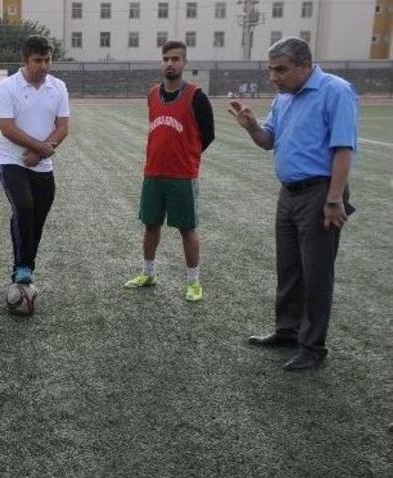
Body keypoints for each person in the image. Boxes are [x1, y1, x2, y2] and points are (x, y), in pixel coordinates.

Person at [229, 37, 358, 371]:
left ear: (305, 65)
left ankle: (313, 347)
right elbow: (268, 141)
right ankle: (287, 331)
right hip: (289, 193)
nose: (274, 77)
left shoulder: (336, 91)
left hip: (320, 193)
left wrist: (334, 198)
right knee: (289, 268)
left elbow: (343, 148)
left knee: (316, 274)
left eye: (281, 70)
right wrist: (252, 126)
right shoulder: (283, 98)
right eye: (271, 70)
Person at [123, 40, 215, 302]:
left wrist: (187, 155)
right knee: (151, 225)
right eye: (166, 58)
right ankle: (148, 273)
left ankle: (194, 282)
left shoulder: (196, 96)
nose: (170, 63)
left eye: (175, 59)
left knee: (187, 229)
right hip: (153, 173)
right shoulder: (153, 94)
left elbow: (207, 135)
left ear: (184, 63)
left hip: (182, 176)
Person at [0, 35, 70, 285]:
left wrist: (40, 153)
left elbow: (63, 126)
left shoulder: (58, 87)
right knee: (24, 207)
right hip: (11, 161)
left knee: (37, 217)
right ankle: (22, 267)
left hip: (42, 164)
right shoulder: (7, 87)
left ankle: (27, 265)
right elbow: (7, 128)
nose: (44, 66)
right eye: (38, 60)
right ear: (25, 60)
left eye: (48, 60)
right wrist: (39, 148)